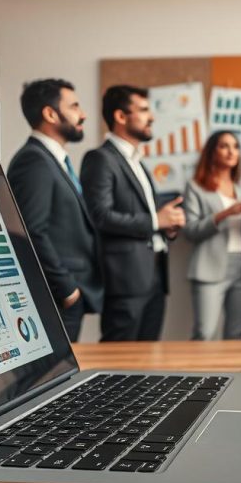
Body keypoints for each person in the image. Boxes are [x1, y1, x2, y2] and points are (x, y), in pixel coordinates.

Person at [80, 85, 186, 341]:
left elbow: (147, 216)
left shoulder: (137, 161)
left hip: (154, 276)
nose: (151, 117)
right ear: (120, 116)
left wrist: (166, 224)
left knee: (148, 361)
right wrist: (155, 220)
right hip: (125, 280)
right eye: (144, 110)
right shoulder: (101, 158)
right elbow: (100, 216)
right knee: (118, 361)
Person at [7, 79, 102, 342]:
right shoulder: (33, 161)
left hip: (67, 293)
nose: (82, 114)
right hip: (58, 295)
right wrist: (67, 289)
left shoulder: (52, 159)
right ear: (50, 113)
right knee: (55, 377)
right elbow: (30, 230)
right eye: (74, 106)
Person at [181, 130, 241, 340]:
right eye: (224, 146)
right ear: (211, 152)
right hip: (210, 267)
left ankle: (230, 375)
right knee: (204, 333)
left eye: (235, 147)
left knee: (236, 335)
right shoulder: (195, 187)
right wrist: (226, 213)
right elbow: (190, 231)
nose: (231, 152)